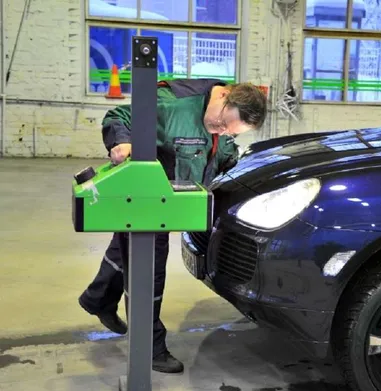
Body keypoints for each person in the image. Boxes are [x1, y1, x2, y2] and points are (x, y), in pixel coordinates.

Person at [78, 78, 267, 373]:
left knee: (123, 250)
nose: (221, 131)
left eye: (229, 131)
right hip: (149, 196)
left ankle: (98, 298)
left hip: (174, 202)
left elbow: (224, 157)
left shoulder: (224, 123)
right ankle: (150, 348)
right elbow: (119, 115)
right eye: (221, 124)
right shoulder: (172, 105)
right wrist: (121, 142)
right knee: (149, 269)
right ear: (224, 96)